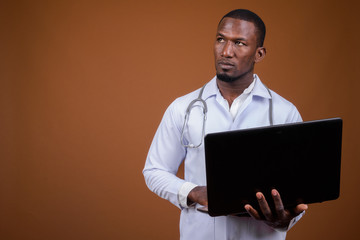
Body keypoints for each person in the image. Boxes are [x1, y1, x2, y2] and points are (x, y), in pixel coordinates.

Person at [143, 9, 308, 240]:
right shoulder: (182, 108)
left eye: (239, 43)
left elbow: (299, 190)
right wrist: (193, 191)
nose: (226, 51)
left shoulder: (285, 113)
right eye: (221, 39)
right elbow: (154, 171)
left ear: (259, 54)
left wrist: (286, 220)